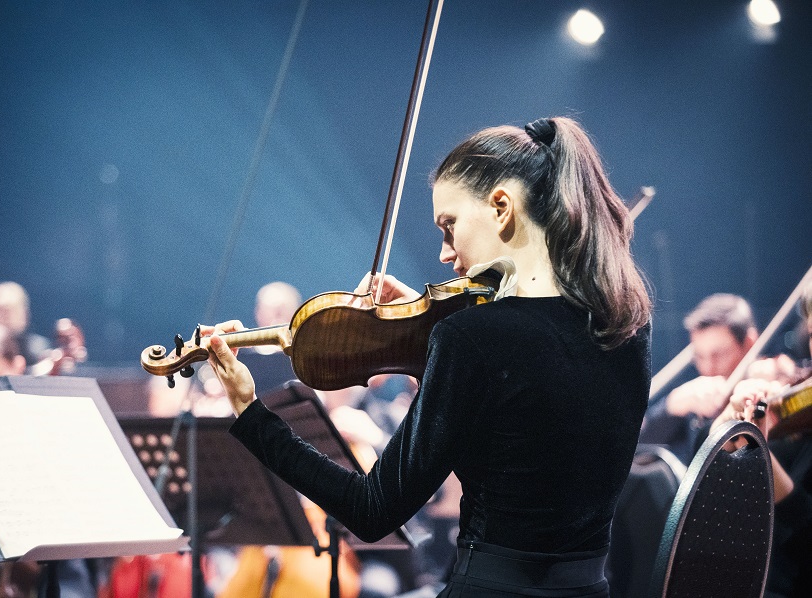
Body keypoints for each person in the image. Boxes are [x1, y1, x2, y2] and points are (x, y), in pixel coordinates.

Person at [200, 117, 652, 597]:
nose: (444, 252)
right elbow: (520, 414)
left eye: (449, 226)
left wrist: (251, 412)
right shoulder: (625, 325)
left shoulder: (471, 337)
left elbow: (371, 510)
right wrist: (426, 346)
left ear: (501, 207)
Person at [710, 280, 812, 598]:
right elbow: (712, 457)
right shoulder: (798, 396)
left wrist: (759, 451)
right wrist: (729, 419)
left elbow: (805, 534)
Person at [639, 293, 759, 464]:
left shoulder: (764, 389)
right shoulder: (698, 406)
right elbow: (640, 452)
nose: (708, 368)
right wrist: (670, 407)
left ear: (749, 344)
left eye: (719, 354)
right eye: (700, 357)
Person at [0, 282, 51, 369]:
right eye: (0, 310)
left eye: (12, 310)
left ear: (25, 314)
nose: (6, 317)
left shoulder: (39, 349)